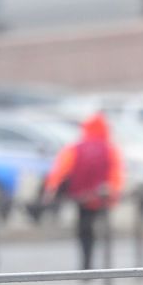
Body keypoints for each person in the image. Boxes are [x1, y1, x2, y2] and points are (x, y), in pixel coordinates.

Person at [39, 113, 123, 269]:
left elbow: (60, 170)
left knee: (85, 232)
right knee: (98, 231)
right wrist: (114, 195)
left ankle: (86, 264)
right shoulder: (110, 149)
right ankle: (97, 266)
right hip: (101, 197)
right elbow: (116, 174)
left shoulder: (75, 148)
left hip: (81, 198)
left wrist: (51, 190)